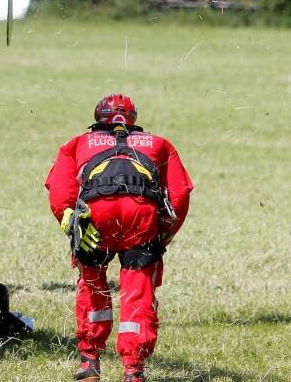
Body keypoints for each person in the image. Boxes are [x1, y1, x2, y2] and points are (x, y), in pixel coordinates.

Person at [44, 94, 193, 382]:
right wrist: (164, 235)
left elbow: (59, 193)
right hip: (142, 214)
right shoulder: (160, 144)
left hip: (95, 214)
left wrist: (73, 226)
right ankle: (133, 370)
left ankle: (89, 361)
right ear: (134, 119)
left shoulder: (76, 143)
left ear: (98, 117)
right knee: (137, 291)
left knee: (92, 281)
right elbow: (180, 194)